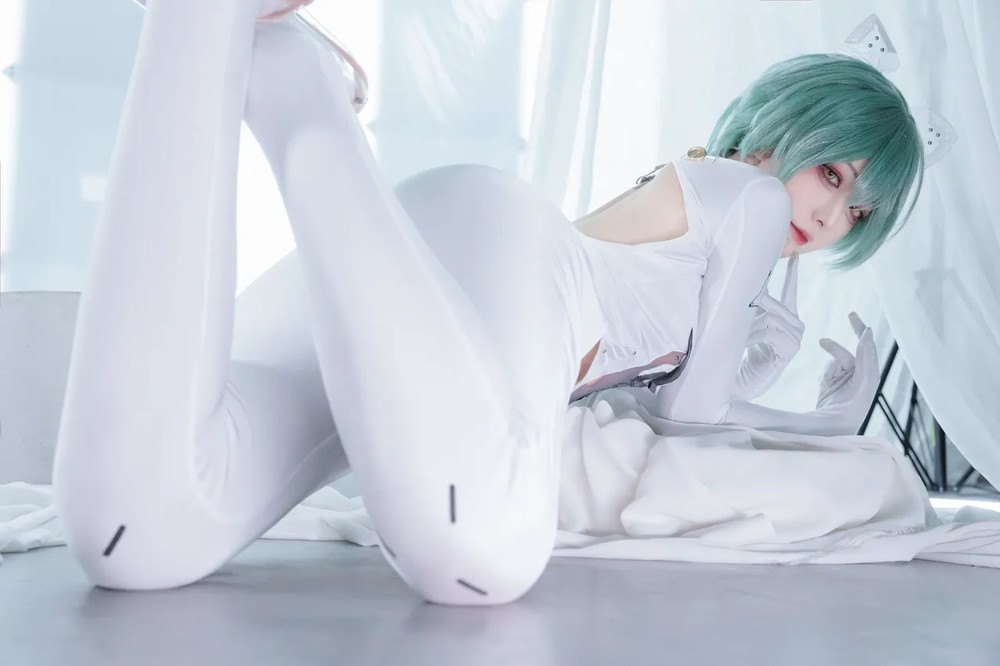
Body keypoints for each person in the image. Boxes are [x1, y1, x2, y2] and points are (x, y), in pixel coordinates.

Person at [52, 0, 924, 606]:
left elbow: (632, 401)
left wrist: (750, 376)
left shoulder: (710, 200)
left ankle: (207, 26)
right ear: (786, 125)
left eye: (858, 210)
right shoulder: (754, 199)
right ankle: (307, 99)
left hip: (434, 265)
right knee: (480, 548)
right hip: (500, 248)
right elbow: (688, 418)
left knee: (136, 529)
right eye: (832, 172)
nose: (830, 215)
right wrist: (821, 419)